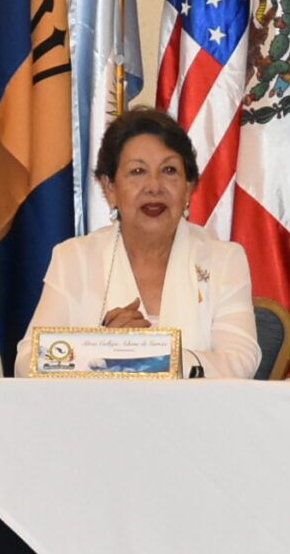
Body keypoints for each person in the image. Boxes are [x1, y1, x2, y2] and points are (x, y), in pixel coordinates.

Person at [17, 107, 259, 379]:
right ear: (109, 188)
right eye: (137, 171)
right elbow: (28, 363)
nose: (154, 186)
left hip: (195, 418)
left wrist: (148, 354)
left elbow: (240, 362)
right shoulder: (74, 258)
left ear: (189, 186)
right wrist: (102, 349)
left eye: (169, 170)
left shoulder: (224, 260)